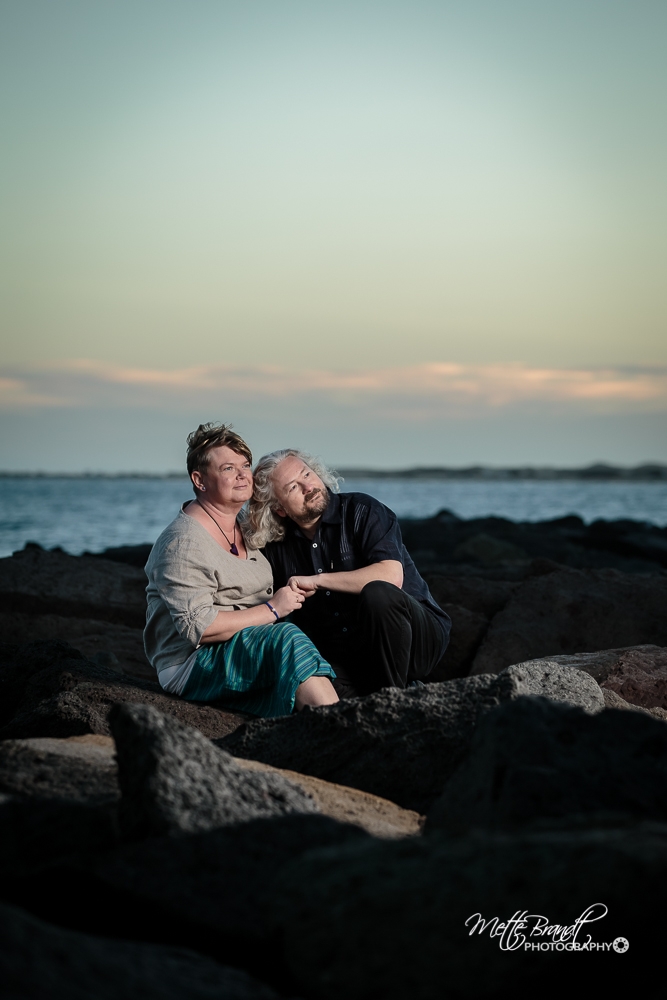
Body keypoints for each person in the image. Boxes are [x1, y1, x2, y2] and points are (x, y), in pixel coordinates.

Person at [143, 424, 339, 716]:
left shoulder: (246, 526)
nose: (242, 474)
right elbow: (201, 628)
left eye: (245, 465)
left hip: (246, 643)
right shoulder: (183, 543)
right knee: (286, 639)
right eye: (228, 468)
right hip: (193, 663)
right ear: (200, 480)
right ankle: (344, 731)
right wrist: (273, 609)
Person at [246, 449, 451, 698]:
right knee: (306, 683)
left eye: (307, 474)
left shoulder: (362, 510)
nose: (308, 486)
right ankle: (382, 696)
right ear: (279, 509)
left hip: (417, 639)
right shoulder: (276, 548)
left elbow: (391, 576)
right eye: (292, 487)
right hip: (350, 654)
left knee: (378, 593)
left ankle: (393, 700)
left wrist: (319, 581)